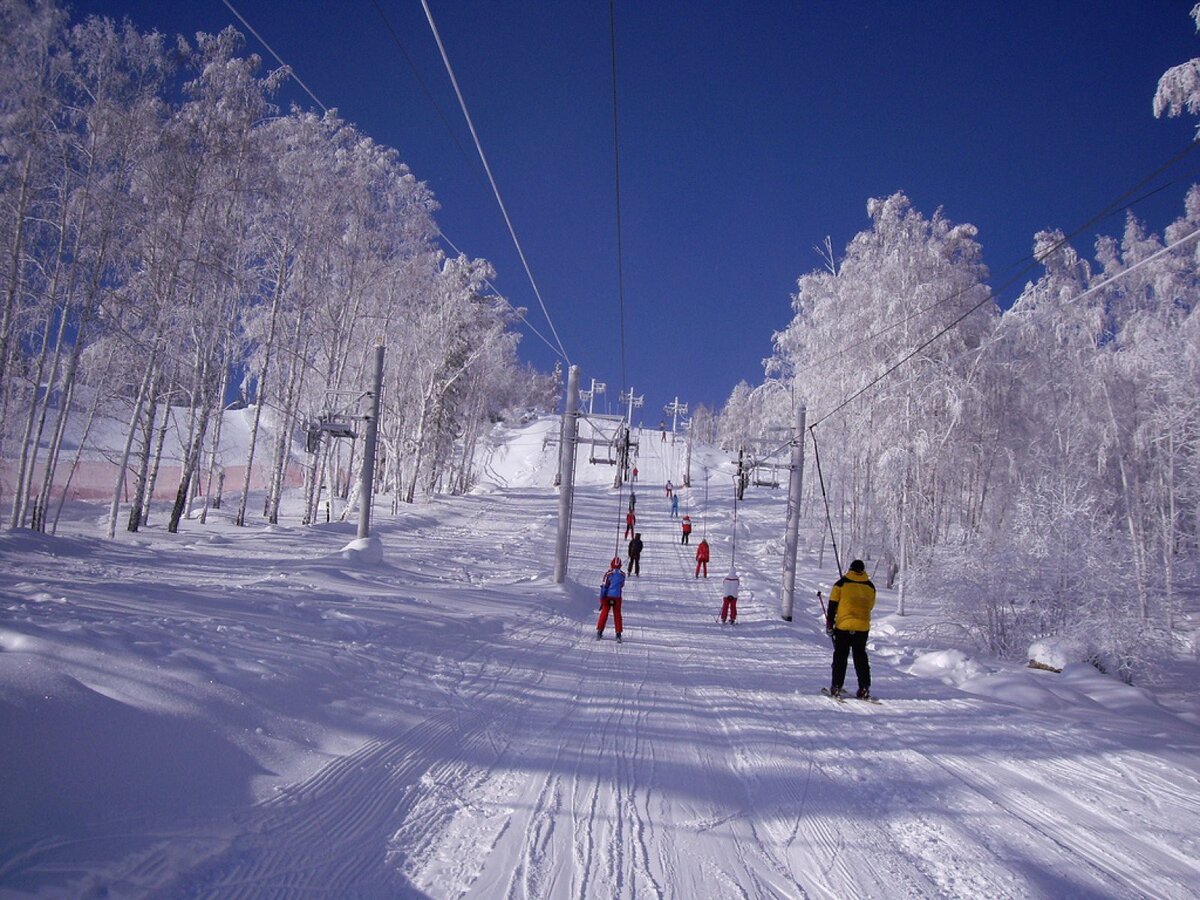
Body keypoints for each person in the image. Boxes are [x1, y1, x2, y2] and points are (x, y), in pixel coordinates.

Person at [826, 559, 876, 699]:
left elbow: (832, 606)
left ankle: (836, 686)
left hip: (843, 625)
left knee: (840, 655)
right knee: (860, 656)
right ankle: (864, 687)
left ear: (850, 569)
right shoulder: (870, 586)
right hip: (862, 626)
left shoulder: (841, 584)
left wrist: (830, 623)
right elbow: (871, 606)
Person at [597, 557, 626, 641]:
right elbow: (622, 585)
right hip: (617, 597)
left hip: (608, 597)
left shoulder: (608, 574)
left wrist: (602, 598)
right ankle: (618, 633)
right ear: (620, 565)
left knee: (604, 613)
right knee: (617, 614)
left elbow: (604, 586)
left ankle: (599, 631)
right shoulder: (622, 575)